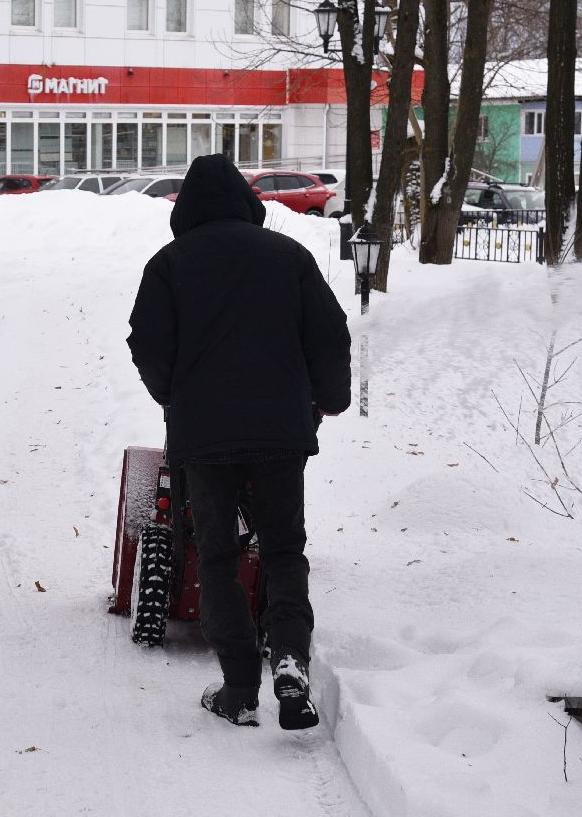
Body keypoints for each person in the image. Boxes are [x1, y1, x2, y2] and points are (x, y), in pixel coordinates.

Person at [126, 154, 351, 730]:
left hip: (203, 437)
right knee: (283, 550)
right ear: (248, 203)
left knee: (218, 555)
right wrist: (329, 399)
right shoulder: (289, 257)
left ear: (186, 209)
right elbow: (329, 334)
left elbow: (147, 343)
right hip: (281, 432)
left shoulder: (169, 264)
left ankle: (240, 687)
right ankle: (290, 661)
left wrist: (172, 396)